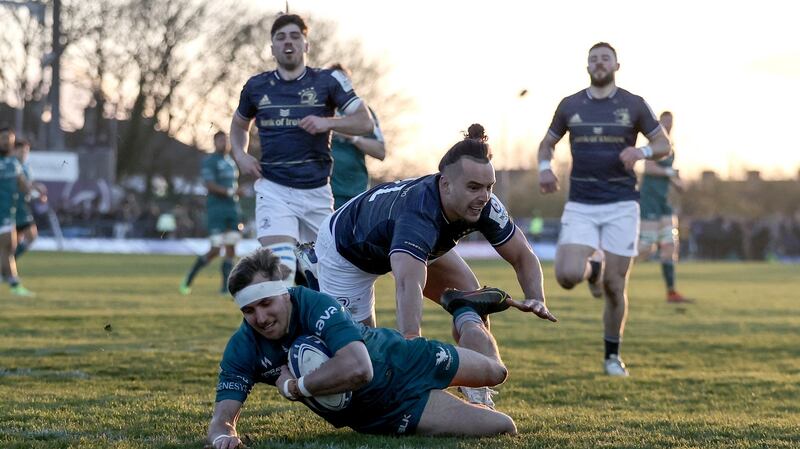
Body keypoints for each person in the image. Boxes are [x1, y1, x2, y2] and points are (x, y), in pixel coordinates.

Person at [312, 124, 556, 407]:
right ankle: (312, 270)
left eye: (489, 187)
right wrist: (412, 342)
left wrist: (537, 297)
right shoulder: (417, 214)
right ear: (445, 185)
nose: (484, 197)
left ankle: (474, 385)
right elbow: (408, 284)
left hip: (416, 247)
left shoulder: (485, 204)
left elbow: (523, 255)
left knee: (470, 300)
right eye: (474, 187)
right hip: (347, 251)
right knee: (365, 367)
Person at [207, 248, 518, 448]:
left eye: (266, 303)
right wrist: (224, 437)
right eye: (248, 310)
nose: (260, 318)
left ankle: (464, 311)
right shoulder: (243, 347)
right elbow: (222, 419)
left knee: (496, 372)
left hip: (406, 359)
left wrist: (294, 387)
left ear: (285, 294)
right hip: (389, 413)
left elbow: (359, 368)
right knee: (503, 426)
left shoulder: (315, 304)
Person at [536, 42, 672, 377]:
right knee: (567, 276)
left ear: (616, 65)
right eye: (594, 59)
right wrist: (543, 166)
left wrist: (640, 153)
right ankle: (591, 271)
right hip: (581, 202)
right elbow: (547, 143)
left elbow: (664, 144)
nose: (599, 64)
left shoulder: (634, 104)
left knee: (615, 285)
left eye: (605, 59)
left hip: (622, 204)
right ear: (587, 67)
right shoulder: (570, 105)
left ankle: (612, 357)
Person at [230, 14, 374, 283]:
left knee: (330, 276)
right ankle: (285, 323)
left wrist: (326, 122)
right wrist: (240, 154)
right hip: (274, 189)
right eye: (281, 37)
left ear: (306, 45)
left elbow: (364, 122)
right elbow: (239, 126)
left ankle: (336, 322)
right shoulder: (255, 86)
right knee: (281, 268)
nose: (288, 42)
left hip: (317, 192)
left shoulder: (328, 81)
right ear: (271, 47)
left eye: (295, 36)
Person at [637, 111, 692, 303]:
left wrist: (678, 183)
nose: (668, 126)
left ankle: (671, 292)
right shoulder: (652, 145)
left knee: (670, 245)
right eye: (664, 122)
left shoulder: (671, 148)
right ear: (658, 124)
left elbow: (671, 176)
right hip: (649, 200)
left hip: (664, 203)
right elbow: (649, 168)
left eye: (670, 123)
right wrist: (670, 172)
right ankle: (610, 271)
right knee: (646, 247)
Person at [180, 131, 242, 295]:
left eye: (226, 140)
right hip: (216, 209)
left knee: (231, 247)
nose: (225, 143)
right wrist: (231, 192)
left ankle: (224, 287)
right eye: (221, 141)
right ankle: (190, 277)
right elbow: (209, 185)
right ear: (215, 143)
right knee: (215, 249)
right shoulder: (209, 161)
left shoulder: (230, 162)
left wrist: (236, 194)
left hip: (232, 209)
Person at [327, 64, 386, 209]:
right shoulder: (314, 110)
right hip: (320, 192)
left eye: (344, 81)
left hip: (354, 193)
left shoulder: (364, 114)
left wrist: (351, 136)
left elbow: (380, 152)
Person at [0, 126, 33, 296]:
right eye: (4, 137)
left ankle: (13, 282)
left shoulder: (14, 164)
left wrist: (33, 190)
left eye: (10, 138)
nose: (7, 141)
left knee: (9, 247)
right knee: (7, 248)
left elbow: (24, 186)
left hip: (7, 213)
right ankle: (13, 283)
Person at [12, 139, 47, 260]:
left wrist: (38, 194)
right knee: (14, 241)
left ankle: (7, 264)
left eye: (26, 151)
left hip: (23, 208)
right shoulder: (11, 165)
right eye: (21, 151)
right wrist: (36, 188)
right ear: (14, 151)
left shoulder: (27, 168)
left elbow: (29, 187)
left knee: (28, 238)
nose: (24, 154)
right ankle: (6, 265)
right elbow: (22, 185)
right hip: (11, 208)